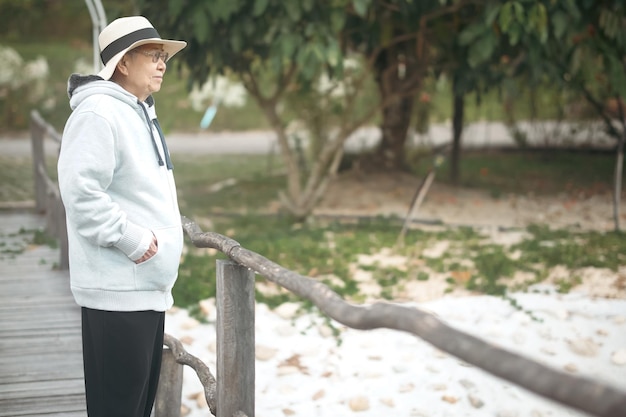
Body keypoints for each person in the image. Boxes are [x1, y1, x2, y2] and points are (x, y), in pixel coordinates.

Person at [57, 16, 187, 417]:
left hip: (143, 287)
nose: (162, 63)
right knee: (118, 408)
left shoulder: (138, 110)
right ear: (123, 63)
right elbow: (81, 193)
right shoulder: (98, 113)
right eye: (152, 55)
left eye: (163, 55)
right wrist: (133, 239)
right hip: (118, 291)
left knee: (135, 408)